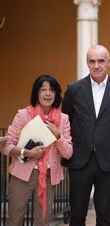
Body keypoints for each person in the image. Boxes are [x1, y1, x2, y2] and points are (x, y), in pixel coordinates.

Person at [62, 45, 110, 226]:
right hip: (80, 161)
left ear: (108, 62)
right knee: (76, 216)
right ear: (87, 63)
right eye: (92, 61)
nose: (96, 65)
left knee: (104, 217)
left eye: (101, 60)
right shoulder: (74, 90)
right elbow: (65, 123)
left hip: (108, 163)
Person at [2, 74, 73, 226]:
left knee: (43, 221)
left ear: (56, 94)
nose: (47, 94)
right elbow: (6, 146)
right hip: (22, 174)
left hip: (48, 176)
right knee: (14, 219)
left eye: (51, 90)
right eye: (43, 90)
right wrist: (28, 153)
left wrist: (58, 136)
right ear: (37, 93)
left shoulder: (63, 119)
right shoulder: (23, 115)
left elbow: (68, 153)